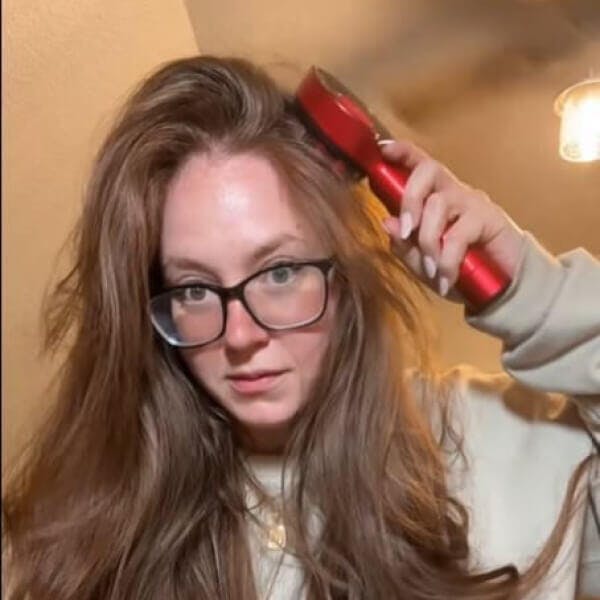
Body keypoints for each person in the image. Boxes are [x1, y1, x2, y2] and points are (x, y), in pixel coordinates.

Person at [3, 55, 599, 600]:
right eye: (194, 289)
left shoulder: (504, 445)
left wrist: (533, 294)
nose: (240, 336)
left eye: (280, 272)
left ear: (347, 277)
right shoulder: (87, 535)